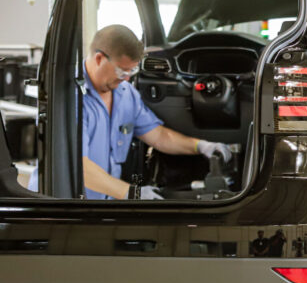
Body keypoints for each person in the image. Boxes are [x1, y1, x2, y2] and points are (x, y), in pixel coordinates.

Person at [29, 25, 232, 199]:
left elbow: (159, 136)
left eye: (131, 71)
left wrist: (200, 146)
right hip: (61, 207)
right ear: (99, 58)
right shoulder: (69, 99)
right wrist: (132, 193)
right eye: (122, 70)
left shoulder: (126, 94)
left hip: (101, 208)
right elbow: (78, 166)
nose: (126, 78)